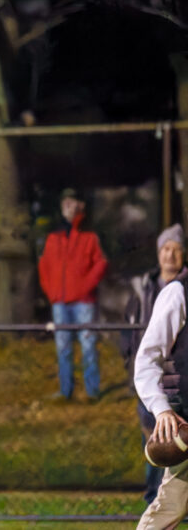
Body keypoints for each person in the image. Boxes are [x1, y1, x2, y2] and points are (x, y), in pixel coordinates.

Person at [123, 224, 188, 504]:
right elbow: (138, 340)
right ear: (158, 253)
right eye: (165, 249)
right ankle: (151, 496)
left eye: (176, 249)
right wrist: (129, 357)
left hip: (179, 397)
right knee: (157, 444)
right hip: (165, 393)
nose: (170, 255)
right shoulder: (155, 291)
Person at [133, 258, 188, 528]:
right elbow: (147, 359)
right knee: (169, 509)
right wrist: (162, 408)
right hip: (187, 425)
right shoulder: (178, 293)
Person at [37, 188, 107, 401]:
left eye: (72, 202)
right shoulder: (53, 236)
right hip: (60, 302)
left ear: (80, 206)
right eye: (65, 202)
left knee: (87, 346)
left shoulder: (90, 235)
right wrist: (52, 292)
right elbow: (44, 265)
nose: (67, 206)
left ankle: (92, 391)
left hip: (84, 301)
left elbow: (100, 263)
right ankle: (65, 391)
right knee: (63, 347)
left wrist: (85, 286)